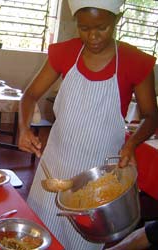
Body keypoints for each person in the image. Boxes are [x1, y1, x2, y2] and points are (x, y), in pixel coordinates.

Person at [18, 0, 158, 249]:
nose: (92, 36)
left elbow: (150, 115)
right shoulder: (65, 52)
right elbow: (30, 96)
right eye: (83, 28)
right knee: (37, 237)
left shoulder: (135, 61)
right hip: (55, 166)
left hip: (98, 178)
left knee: (82, 241)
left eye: (101, 28)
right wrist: (24, 127)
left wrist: (132, 144)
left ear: (117, 19)